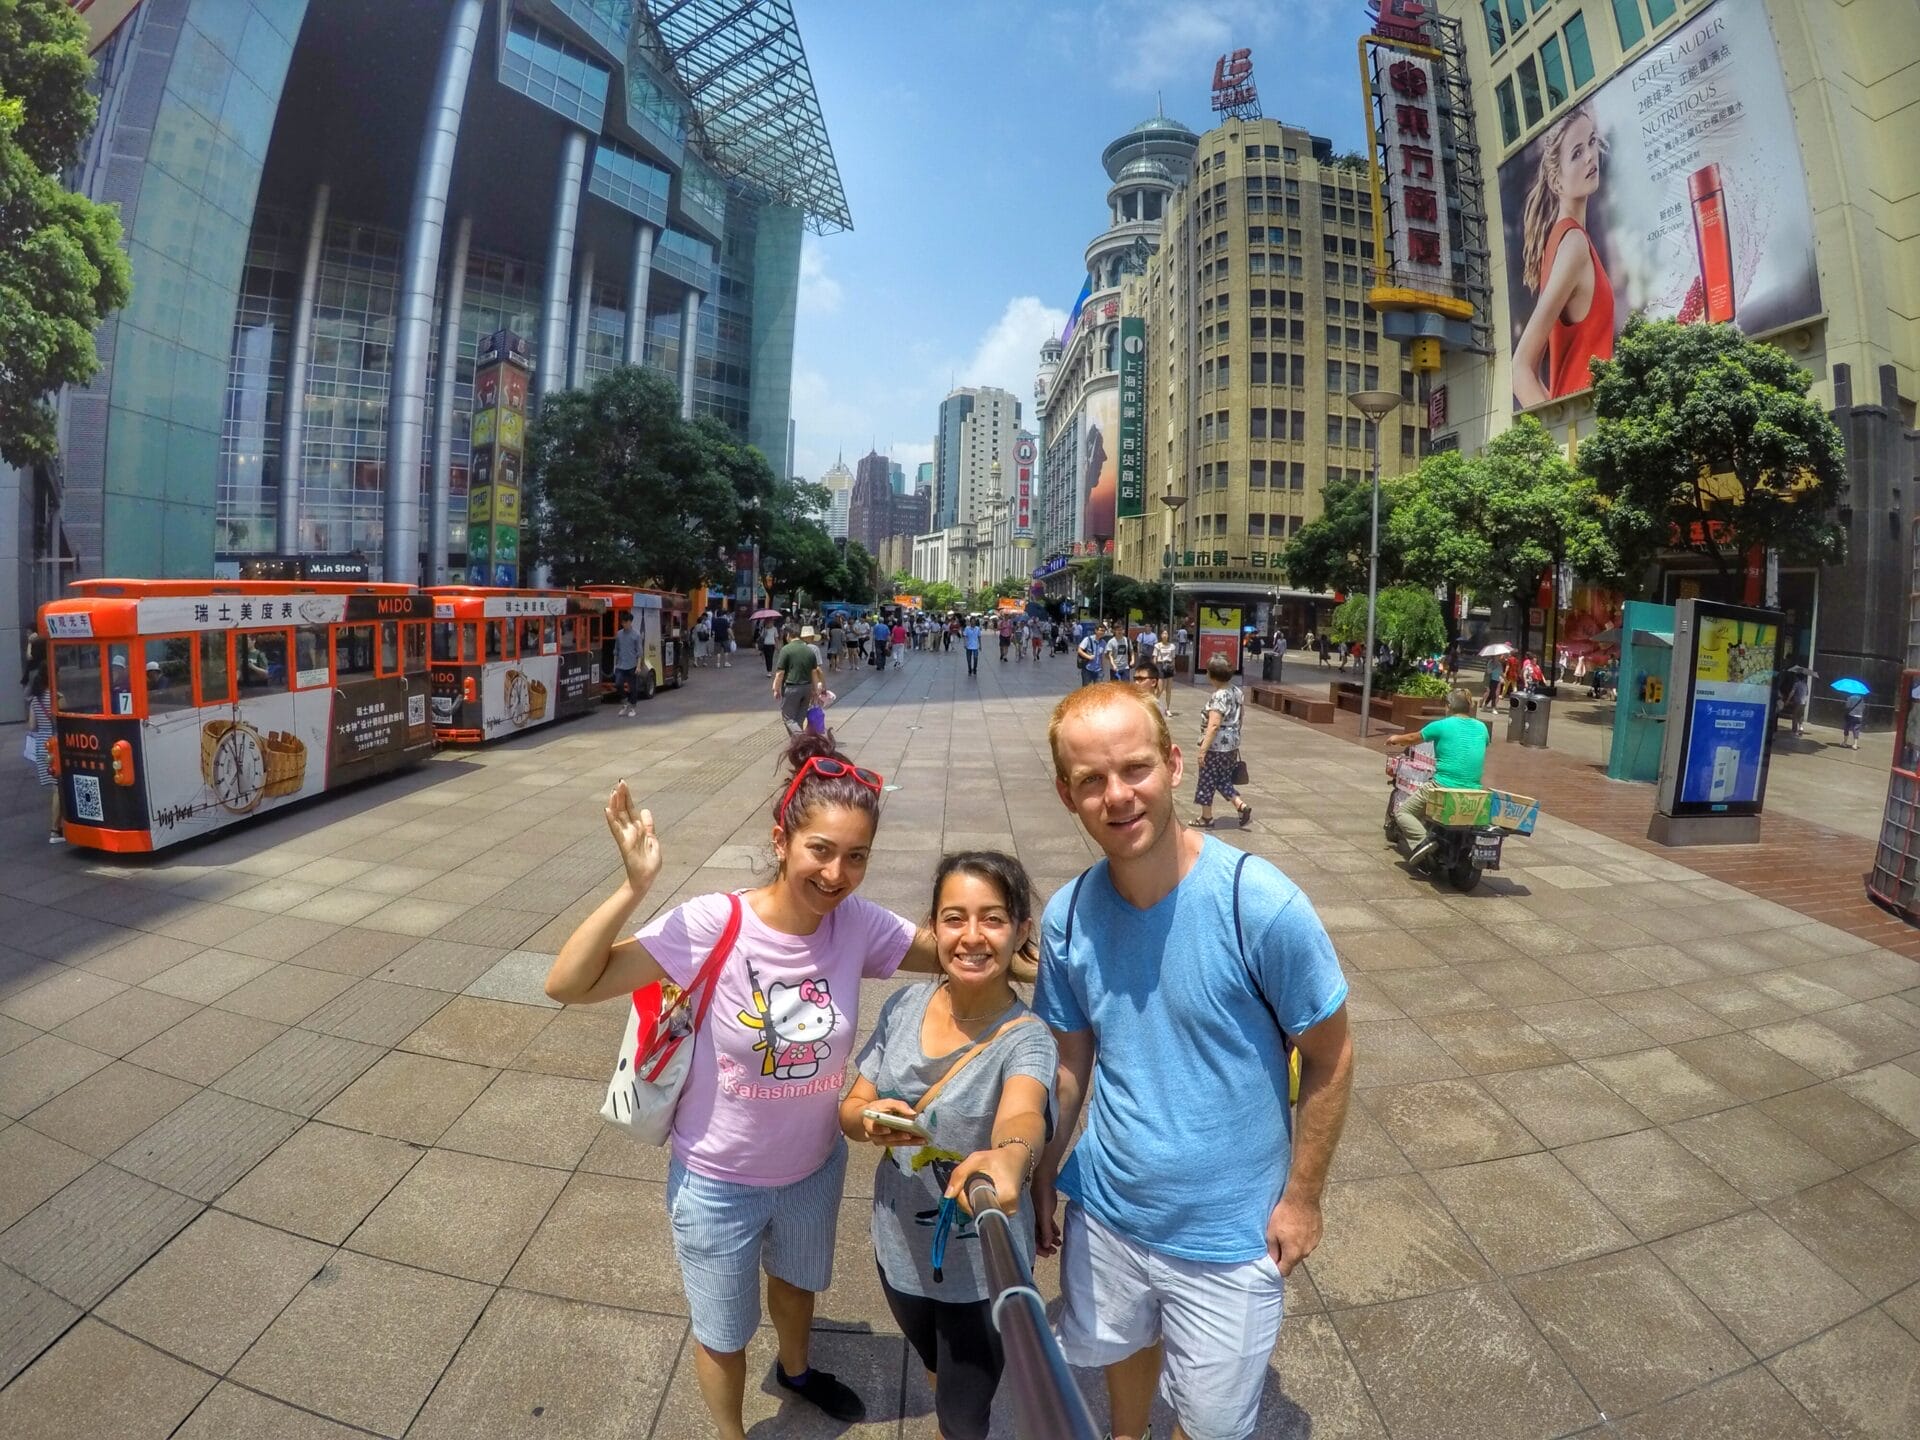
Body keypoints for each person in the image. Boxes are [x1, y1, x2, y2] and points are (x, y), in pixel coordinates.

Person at [543, 736, 930, 1439]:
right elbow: (567, 984)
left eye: (857, 857)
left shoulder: (856, 926)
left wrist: (1040, 941)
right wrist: (633, 887)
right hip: (716, 1180)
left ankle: (797, 1370)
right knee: (722, 1331)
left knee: (797, 1285)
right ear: (781, 841)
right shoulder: (714, 924)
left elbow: (961, 948)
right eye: (820, 849)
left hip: (812, 1167)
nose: (837, 874)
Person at [1032, 684, 1352, 1440]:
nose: (1118, 796)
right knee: (1121, 1354)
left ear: (1175, 764)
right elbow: (1072, 1061)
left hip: (1231, 1233)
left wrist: (1303, 1198)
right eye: (1091, 780)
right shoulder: (1068, 916)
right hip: (1109, 1212)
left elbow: (1332, 1058)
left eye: (1135, 769)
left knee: (1210, 1423)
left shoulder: (1259, 905)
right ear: (1066, 794)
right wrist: (1043, 1169)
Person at [841, 851, 1057, 1440]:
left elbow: (1023, 1113)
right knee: (936, 1366)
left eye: (992, 918)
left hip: (982, 1268)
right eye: (954, 918)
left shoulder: (1028, 1039)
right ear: (933, 928)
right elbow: (850, 1108)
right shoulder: (905, 1005)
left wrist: (1011, 1157)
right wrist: (869, 1119)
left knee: (964, 1420)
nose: (971, 936)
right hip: (898, 1248)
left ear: (1021, 931)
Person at [1513, 103, 1613, 407]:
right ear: (1556, 181)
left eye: (1592, 142)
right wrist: (1561, 436)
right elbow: (1520, 368)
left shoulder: (1561, 240)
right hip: (1589, 430)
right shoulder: (1572, 245)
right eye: (1577, 153)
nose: (1591, 157)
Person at [1386, 687, 1490, 868]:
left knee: (1403, 813)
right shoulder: (1482, 728)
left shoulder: (1441, 725)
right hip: (1474, 789)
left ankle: (1423, 842)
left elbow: (1412, 738)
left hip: (1442, 785)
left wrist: (1395, 738)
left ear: (1449, 706)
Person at [1191, 653, 1252, 829]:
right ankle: (1241, 805)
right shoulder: (1236, 691)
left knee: (1207, 779)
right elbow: (1241, 716)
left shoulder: (1219, 696)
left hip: (1216, 746)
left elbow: (1214, 725)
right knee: (1223, 779)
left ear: (1211, 674)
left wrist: (1203, 750)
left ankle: (1206, 817)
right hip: (1232, 743)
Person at [25, 667, 60, 844]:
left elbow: (31, 726)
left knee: (54, 786)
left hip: (41, 744)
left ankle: (58, 825)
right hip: (55, 743)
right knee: (58, 788)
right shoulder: (56, 697)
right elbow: (63, 718)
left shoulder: (35, 700)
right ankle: (55, 830)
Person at [773, 626, 822, 736]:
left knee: (788, 718)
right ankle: (797, 746)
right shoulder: (809, 650)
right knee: (799, 719)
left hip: (792, 687)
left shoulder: (786, 649)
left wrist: (776, 688)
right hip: (807, 688)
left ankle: (801, 738)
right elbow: (814, 673)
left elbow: (780, 673)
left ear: (788, 636)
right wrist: (815, 690)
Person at [613, 613, 645, 717]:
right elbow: (616, 650)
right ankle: (625, 702)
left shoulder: (636, 635)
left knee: (633, 688)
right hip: (621, 665)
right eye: (622, 622)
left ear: (630, 622)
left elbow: (639, 651)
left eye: (625, 622)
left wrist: (639, 666)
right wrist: (615, 664)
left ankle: (632, 708)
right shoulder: (619, 634)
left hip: (632, 665)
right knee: (618, 684)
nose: (623, 624)